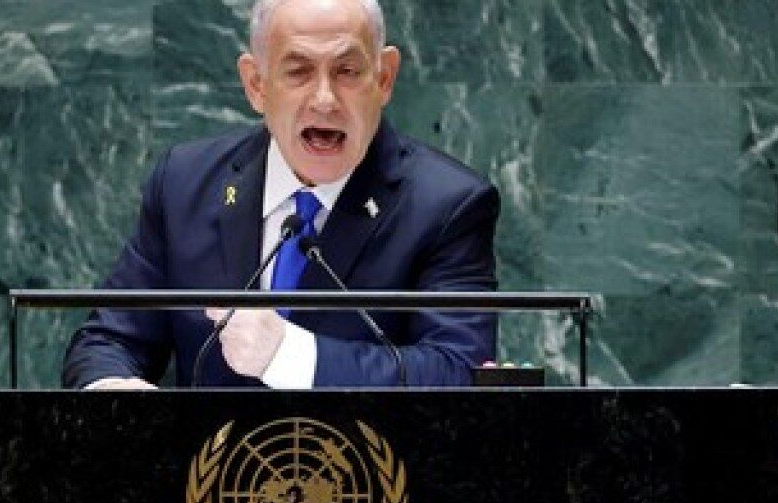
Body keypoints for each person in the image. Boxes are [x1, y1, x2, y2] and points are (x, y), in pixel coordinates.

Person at [62, 0, 499, 389]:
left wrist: (291, 355)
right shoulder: (185, 183)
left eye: (347, 71)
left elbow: (459, 371)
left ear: (383, 78)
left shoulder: (448, 204)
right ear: (256, 84)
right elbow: (110, 339)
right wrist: (111, 390)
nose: (325, 100)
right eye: (299, 71)